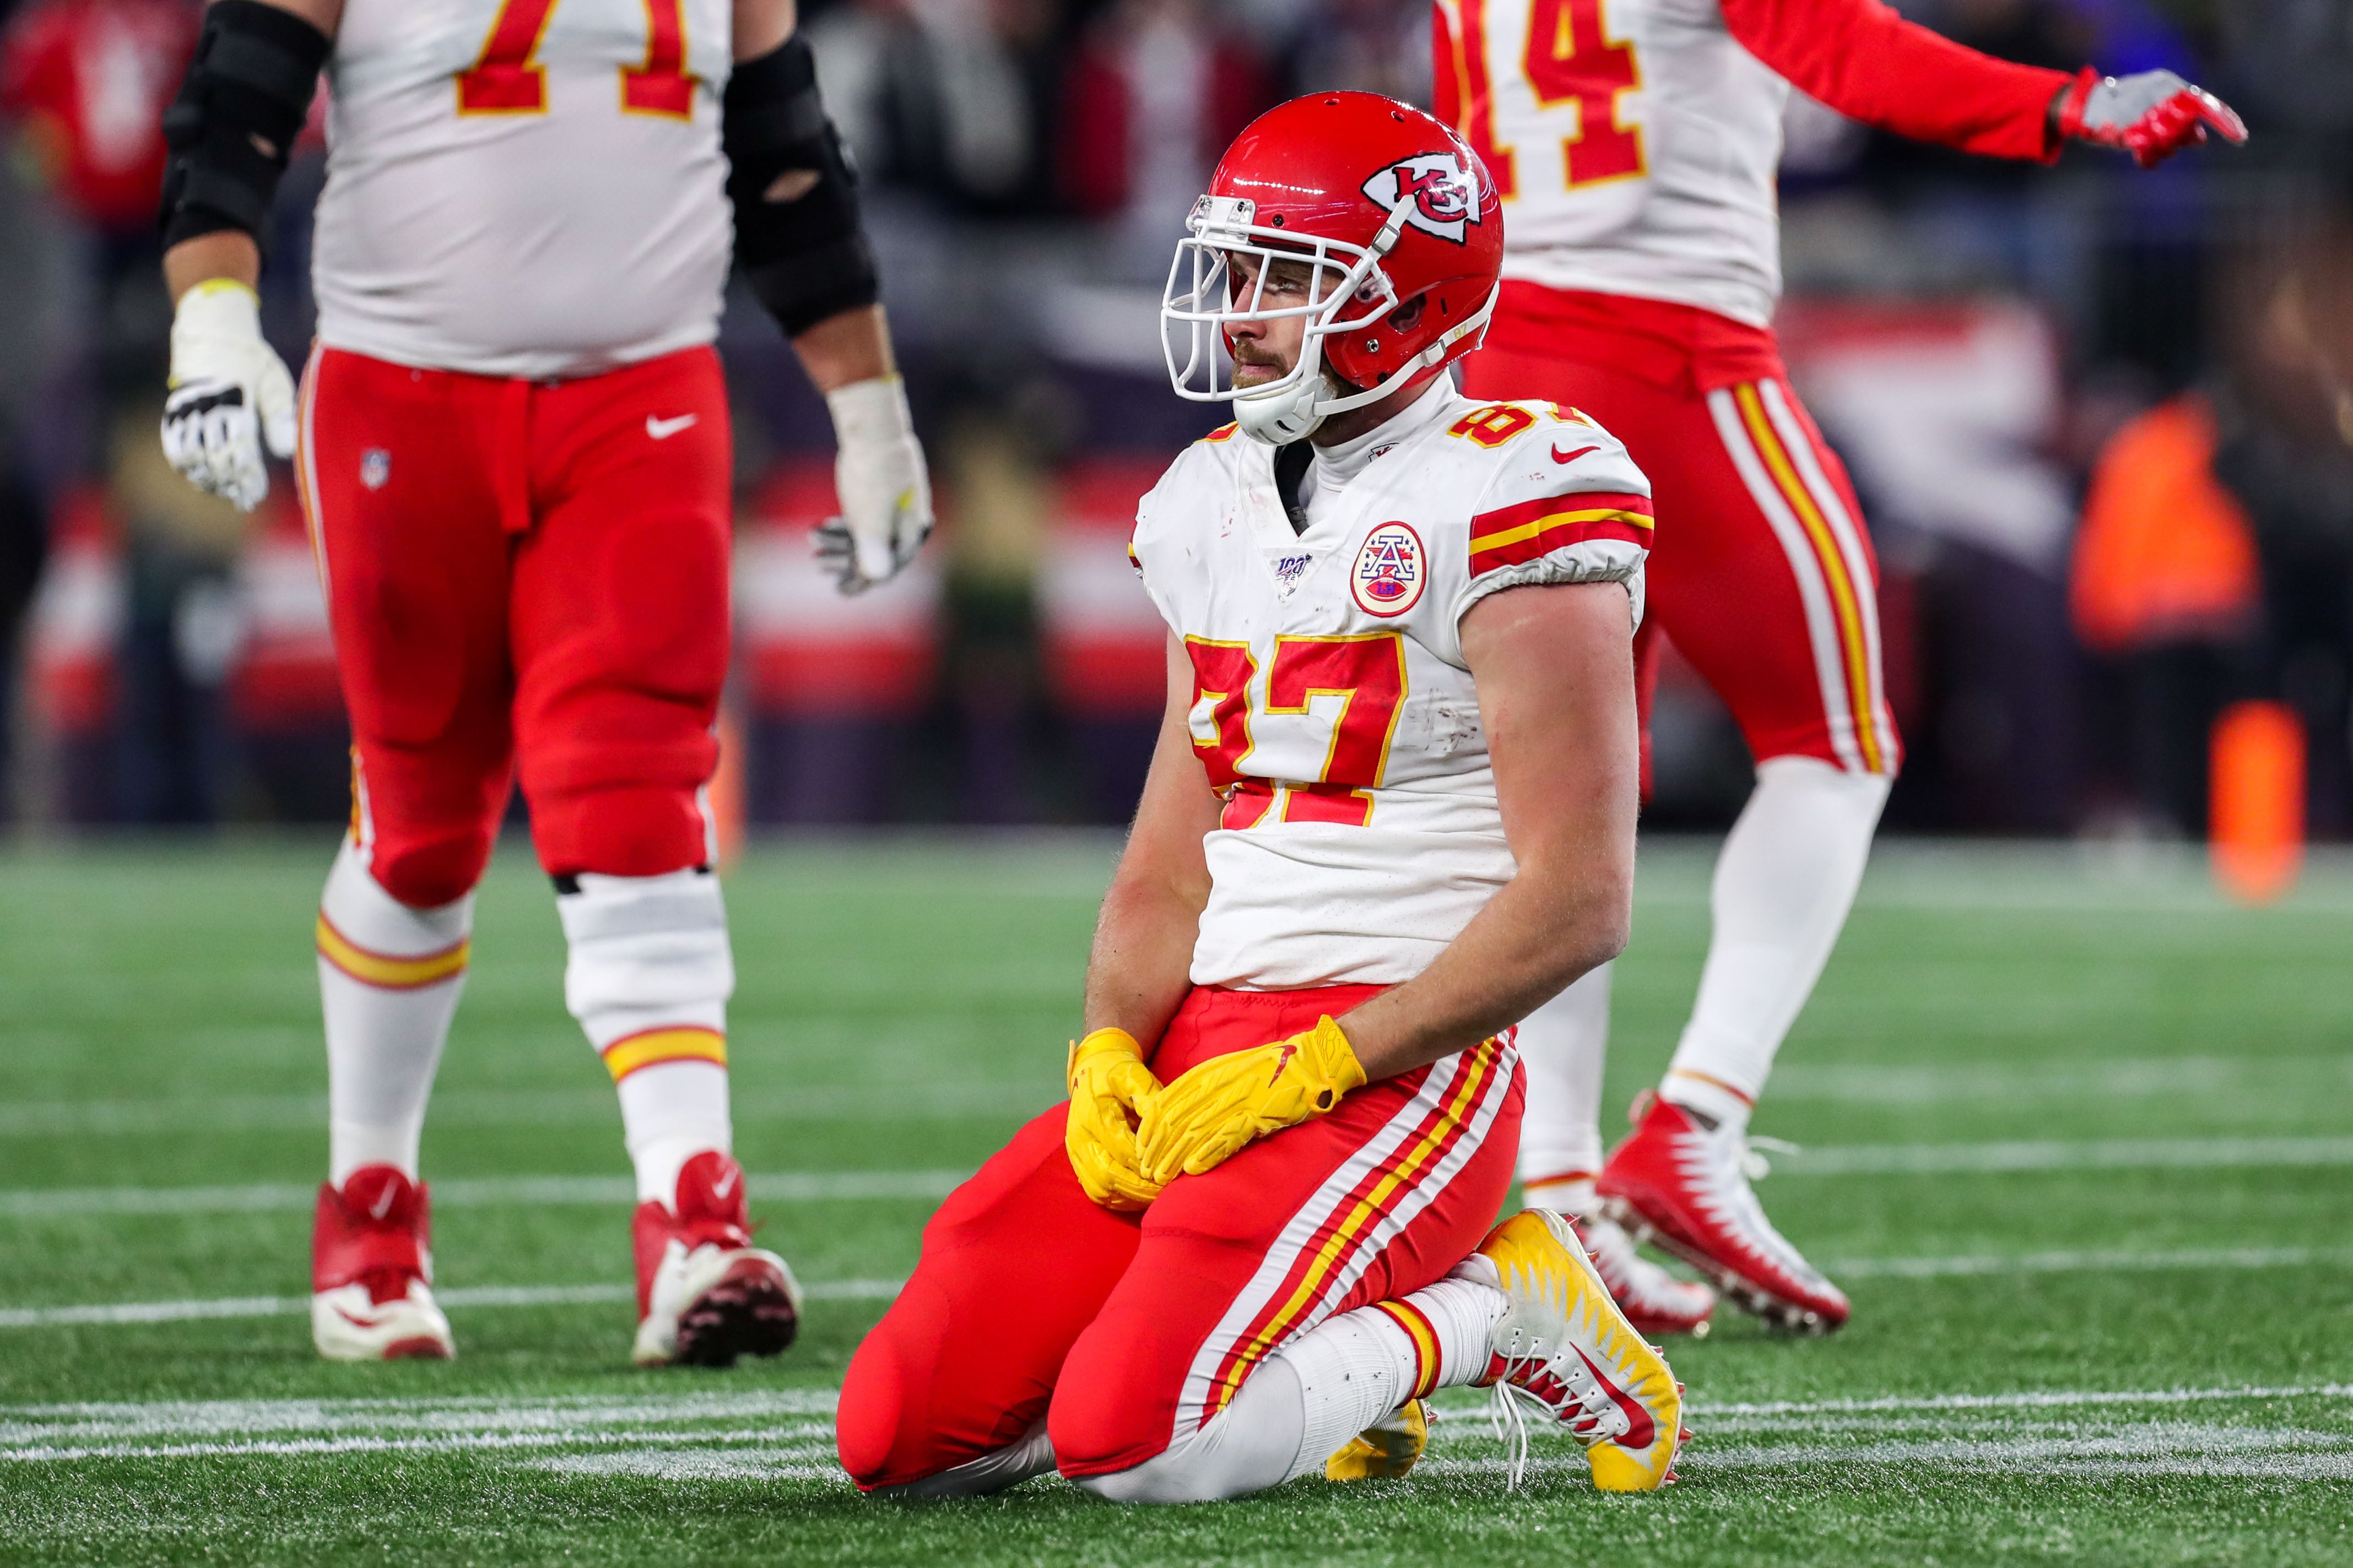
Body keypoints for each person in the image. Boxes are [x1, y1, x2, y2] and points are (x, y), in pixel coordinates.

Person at [837, 92, 1682, 1503]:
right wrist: (1108, 1049)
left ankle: (1502, 1306)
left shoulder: (1517, 486)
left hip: (1406, 1063)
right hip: (1205, 1047)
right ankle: (1311, 1341)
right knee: (903, 1445)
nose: (1241, 311)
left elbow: (1581, 899)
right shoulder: (1207, 498)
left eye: (1287, 276)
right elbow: (1170, 865)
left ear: (1402, 297)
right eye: (1235, 272)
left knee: (1141, 1447)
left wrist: (1325, 1061)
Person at [1433, 0, 2247, 1332]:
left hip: (1501, 368)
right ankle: (1700, 1112)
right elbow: (1836, 43)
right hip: (1667, 357)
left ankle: (1559, 1195)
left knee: (1574, 799)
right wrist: (2061, 103)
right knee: (1840, 738)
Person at [154, 0, 933, 1365]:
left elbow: (786, 159)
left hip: (641, 401)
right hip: (405, 393)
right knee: (422, 825)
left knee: (636, 784)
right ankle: (371, 1201)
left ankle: (690, 1212)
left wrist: (871, 409)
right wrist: (213, 310)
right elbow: (236, 104)